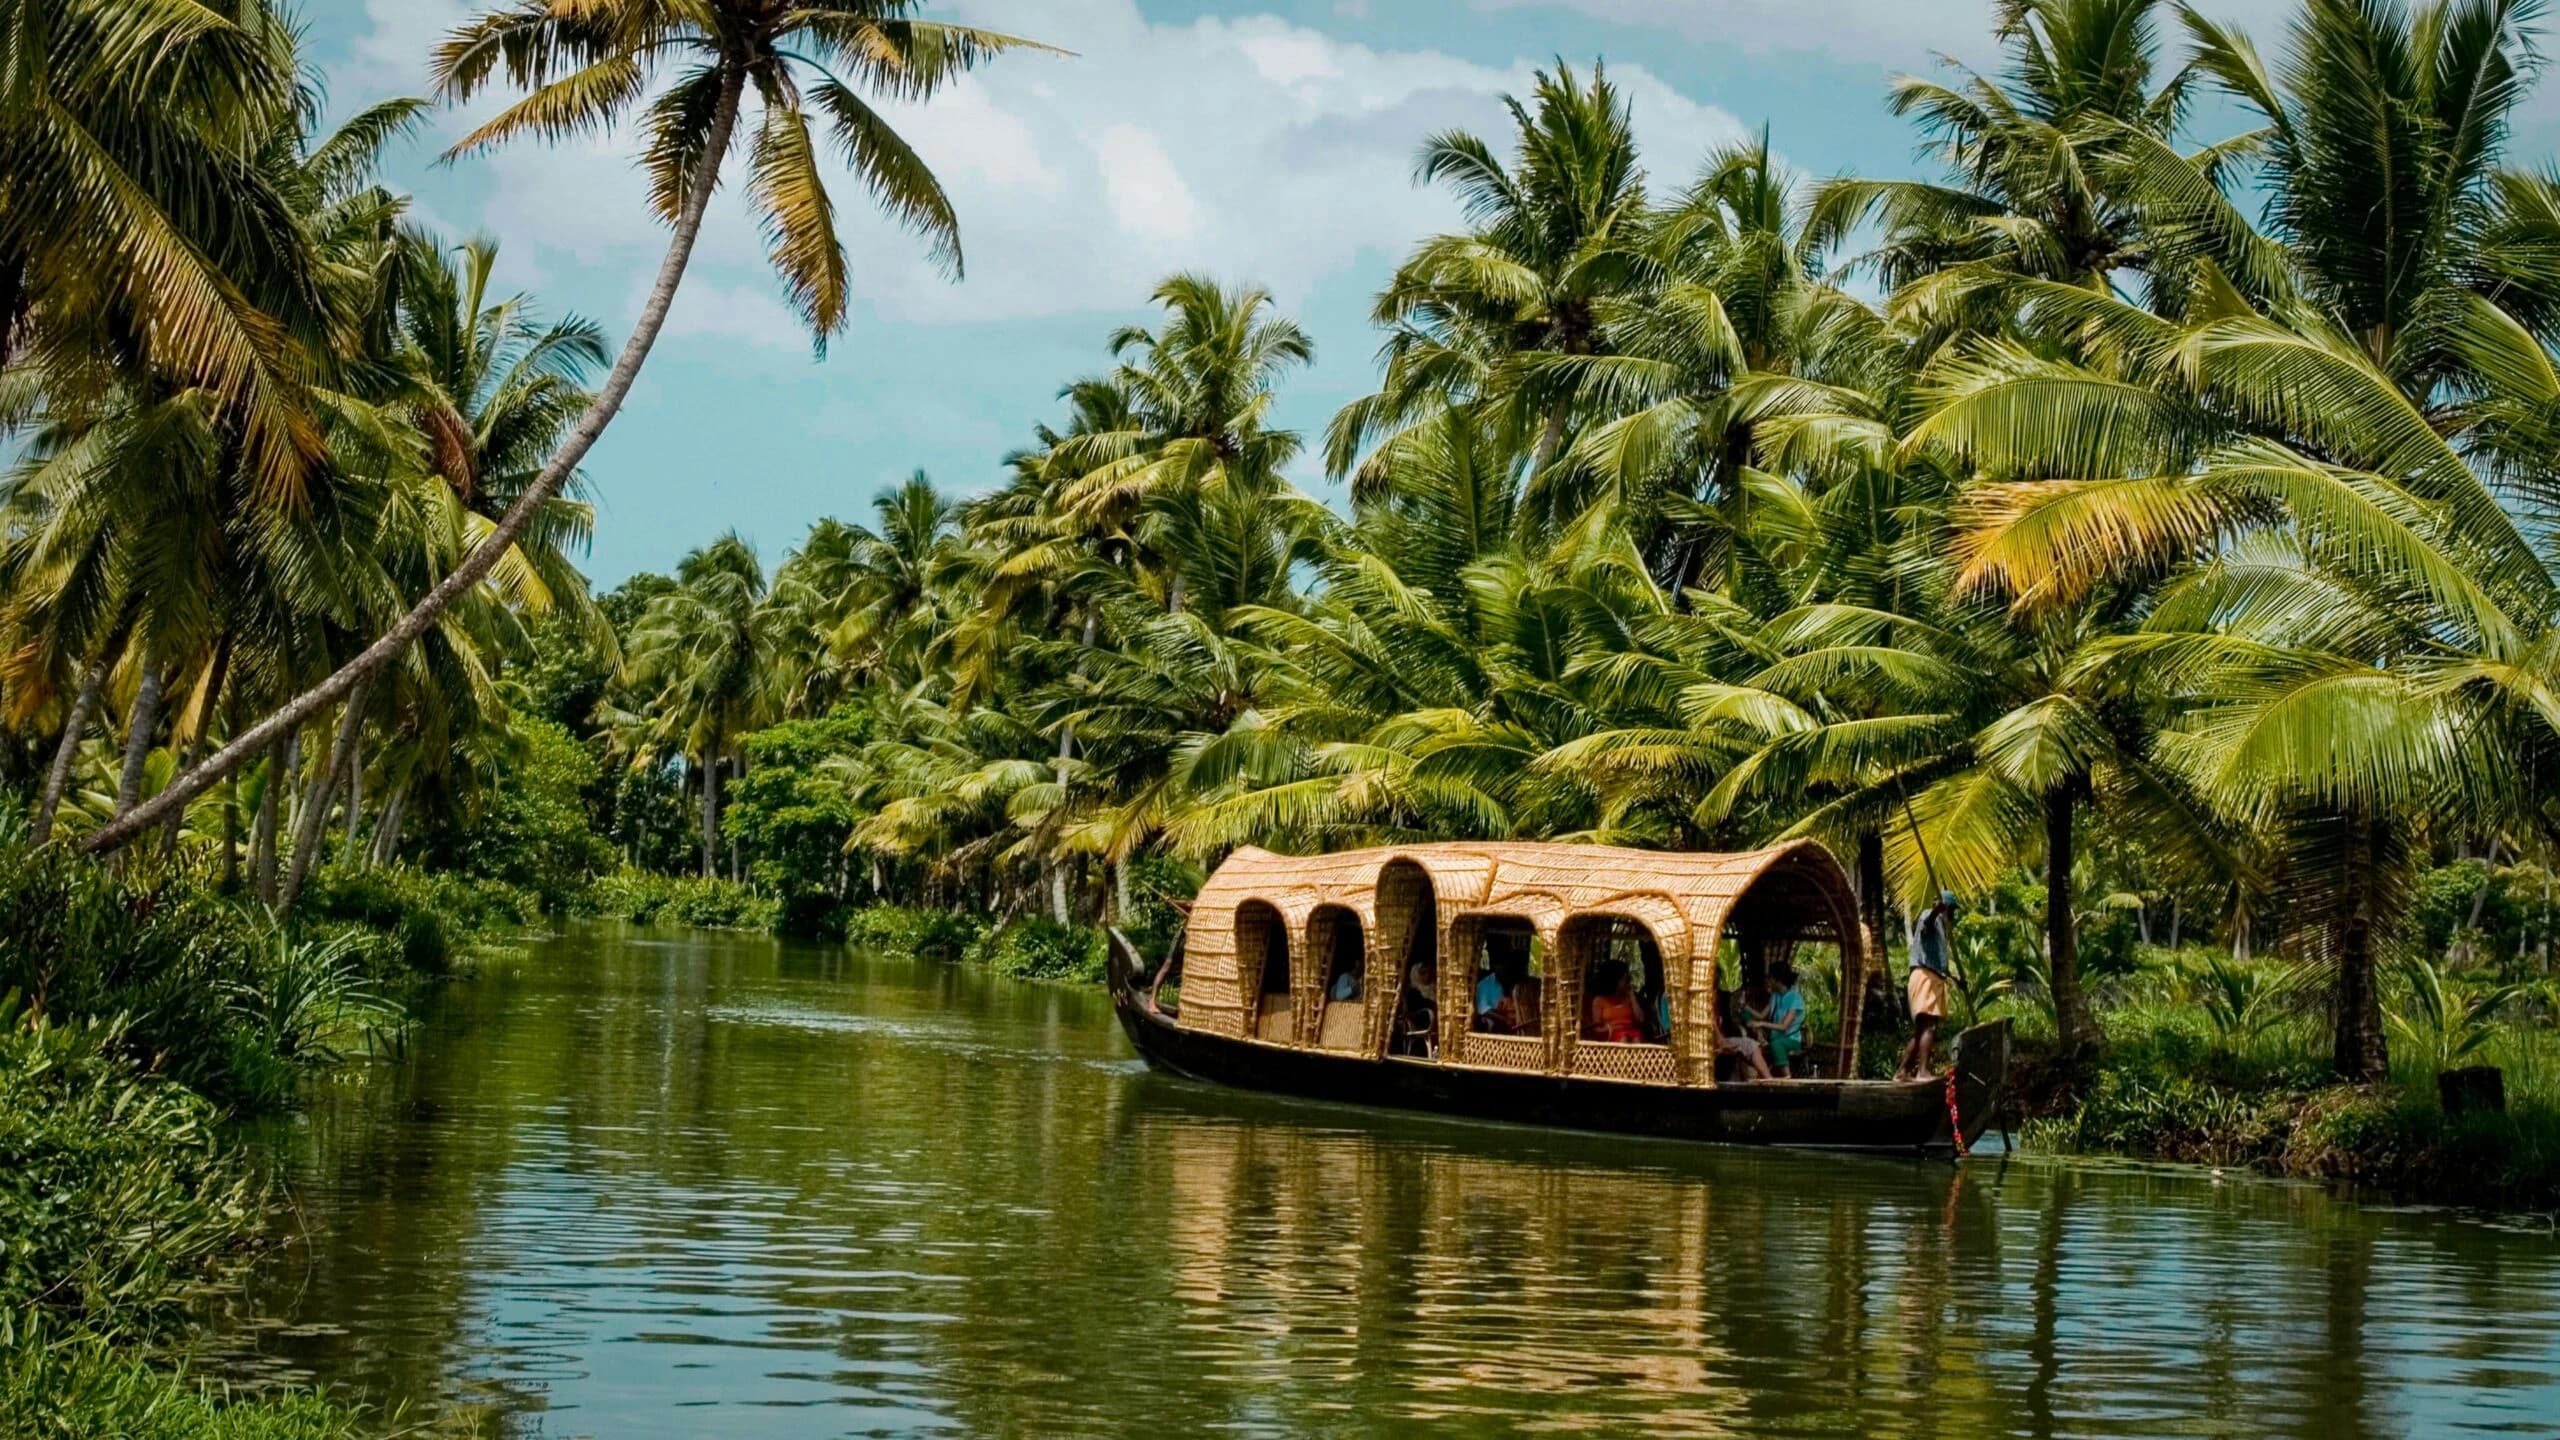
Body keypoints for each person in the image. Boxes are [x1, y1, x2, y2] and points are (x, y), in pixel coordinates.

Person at [1900, 890, 1957, 1079]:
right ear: (1946, 908)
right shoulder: (1931, 916)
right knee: (1929, 1027)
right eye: (1952, 911)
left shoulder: (1942, 930)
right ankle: (1922, 1072)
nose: (1953, 915)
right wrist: (1935, 911)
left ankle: (1903, 1071)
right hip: (1925, 977)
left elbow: (1939, 962)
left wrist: (1957, 980)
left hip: (1931, 977)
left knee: (1922, 1029)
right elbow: (1927, 924)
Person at [1756, 960, 1807, 1076]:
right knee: (1756, 1047)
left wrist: (1762, 1024)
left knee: (1776, 1044)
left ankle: (1787, 1076)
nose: (1768, 981)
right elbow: (1760, 1016)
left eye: (1770, 977)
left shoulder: (1795, 999)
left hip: (1791, 1040)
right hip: (1774, 1038)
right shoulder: (1774, 996)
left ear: (1777, 979)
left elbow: (1784, 1027)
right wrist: (1744, 1008)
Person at [1716, 987, 1775, 1081]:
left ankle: (1768, 1078)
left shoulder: (1774, 998)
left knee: (1751, 1044)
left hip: (1760, 1031)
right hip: (1721, 1039)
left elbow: (1761, 1016)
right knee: (1750, 1044)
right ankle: (1768, 1078)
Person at [1582, 958, 1646, 1042]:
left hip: (1631, 1033)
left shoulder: (1628, 997)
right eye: (1625, 979)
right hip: (1611, 1035)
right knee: (1623, 1039)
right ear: (1615, 980)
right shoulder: (1599, 1000)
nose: (1628, 982)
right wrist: (1610, 1029)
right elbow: (1596, 1028)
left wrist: (1632, 996)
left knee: (1636, 1038)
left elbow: (1640, 1019)